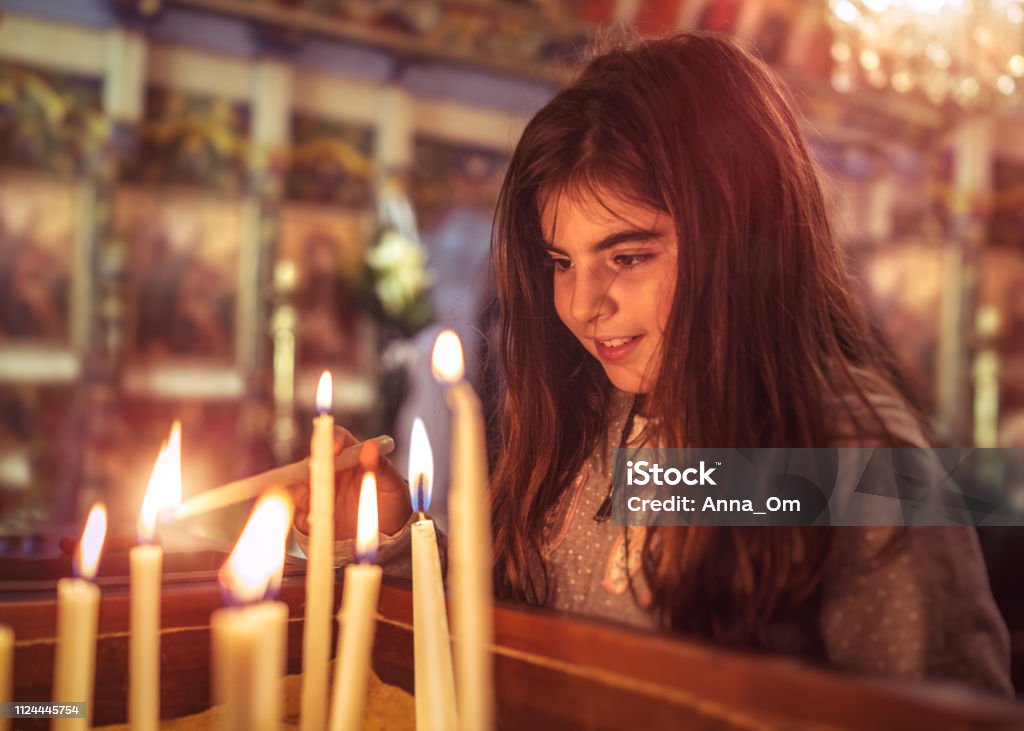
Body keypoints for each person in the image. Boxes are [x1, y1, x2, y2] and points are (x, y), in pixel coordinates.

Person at [291, 32, 1012, 696]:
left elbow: (946, 708)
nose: (581, 305)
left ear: (741, 240)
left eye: (628, 256)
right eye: (560, 262)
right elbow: (520, 632)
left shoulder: (844, 459)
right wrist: (391, 532)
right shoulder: (589, 413)